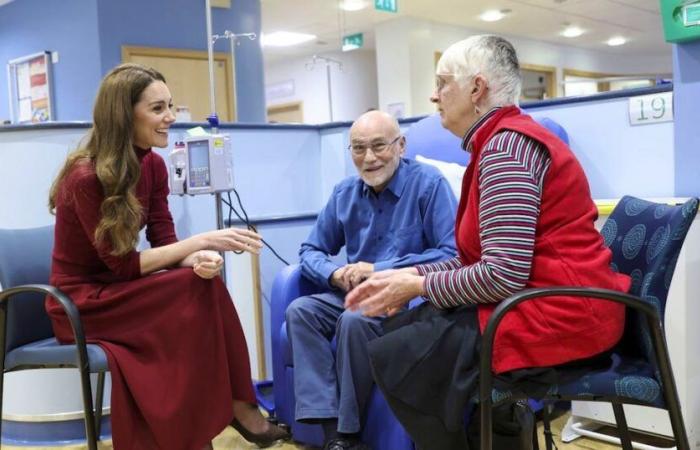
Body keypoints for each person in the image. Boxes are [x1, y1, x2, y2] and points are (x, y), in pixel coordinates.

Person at [345, 35, 632, 450]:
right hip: (547, 301)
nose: (434, 95)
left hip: (563, 313)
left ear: (476, 89)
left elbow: (502, 274)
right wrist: (406, 276)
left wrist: (418, 286)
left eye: (443, 83)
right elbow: (474, 262)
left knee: (404, 350)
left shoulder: (506, 149)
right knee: (411, 332)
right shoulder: (497, 143)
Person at [46, 63, 289, 450]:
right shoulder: (86, 178)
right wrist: (200, 243)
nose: (171, 118)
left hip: (121, 289)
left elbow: (164, 240)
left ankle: (224, 415)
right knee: (193, 296)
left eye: (170, 106)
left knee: (201, 283)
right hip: (81, 303)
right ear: (125, 114)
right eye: (158, 109)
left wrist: (198, 260)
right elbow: (123, 265)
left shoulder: (154, 165)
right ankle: (234, 412)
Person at [285, 110, 458, 450]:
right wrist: (334, 274)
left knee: (354, 319)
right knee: (301, 311)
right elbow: (310, 251)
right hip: (354, 293)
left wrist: (379, 270)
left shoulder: (429, 184)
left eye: (379, 146)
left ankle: (349, 434)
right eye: (358, 148)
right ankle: (333, 434)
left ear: (401, 145)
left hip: (408, 298)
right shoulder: (344, 193)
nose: (369, 158)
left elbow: (451, 254)